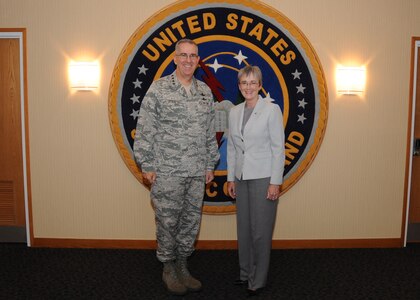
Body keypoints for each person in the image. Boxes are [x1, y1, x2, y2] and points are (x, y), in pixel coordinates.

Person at [133, 39, 220, 296]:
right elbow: (145, 129)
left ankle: (183, 264)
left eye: (193, 56)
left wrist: (209, 164)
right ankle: (168, 266)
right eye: (183, 55)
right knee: (167, 221)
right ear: (174, 58)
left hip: (195, 171)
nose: (188, 60)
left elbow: (209, 133)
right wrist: (146, 164)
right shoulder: (159, 89)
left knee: (190, 222)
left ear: (197, 59)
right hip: (166, 171)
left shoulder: (205, 91)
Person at [227, 65, 285, 297]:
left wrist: (275, 182)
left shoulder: (271, 110)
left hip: (263, 178)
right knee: (244, 229)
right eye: (244, 83)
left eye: (253, 83)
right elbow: (232, 148)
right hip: (241, 178)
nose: (248, 87)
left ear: (260, 85)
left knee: (260, 231)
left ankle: (257, 280)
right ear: (239, 86)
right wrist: (231, 177)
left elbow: (278, 149)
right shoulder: (234, 111)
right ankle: (245, 273)